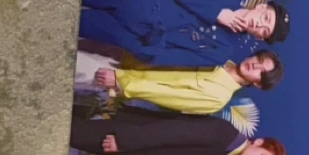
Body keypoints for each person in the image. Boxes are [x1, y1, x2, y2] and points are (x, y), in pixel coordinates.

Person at [78, 0, 290, 70]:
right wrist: (217, 12)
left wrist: (138, 45)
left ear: (259, 38)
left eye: (265, 31)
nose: (259, 25)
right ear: (261, 7)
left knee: (75, 24)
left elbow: (163, 57)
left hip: (134, 35)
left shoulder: (221, 52)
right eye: (266, 18)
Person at [70, 107, 288, 155]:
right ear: (259, 142)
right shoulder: (224, 134)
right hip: (125, 136)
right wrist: (125, 141)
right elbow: (171, 132)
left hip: (126, 150)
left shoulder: (225, 153)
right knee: (71, 131)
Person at [92, 52, 283, 115]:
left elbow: (165, 95)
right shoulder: (219, 55)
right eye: (259, 59)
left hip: (117, 76)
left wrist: (121, 82)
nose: (255, 65)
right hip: (126, 52)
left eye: (261, 72)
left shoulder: (218, 98)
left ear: (258, 84)